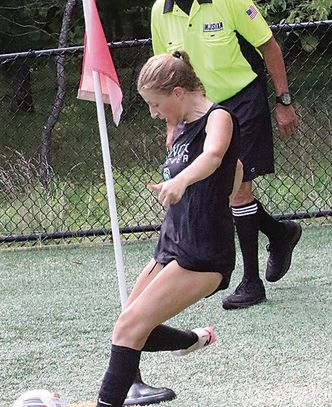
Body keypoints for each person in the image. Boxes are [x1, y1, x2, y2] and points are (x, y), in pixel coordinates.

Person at [96, 50, 243, 407]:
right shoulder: (178, 129)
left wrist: (182, 183)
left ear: (178, 92)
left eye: (156, 104)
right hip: (172, 243)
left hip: (203, 253)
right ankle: (193, 339)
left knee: (129, 329)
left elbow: (214, 157)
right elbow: (237, 171)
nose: (154, 113)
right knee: (130, 328)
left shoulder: (218, 117)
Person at [150, 0, 302, 310]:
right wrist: (171, 125)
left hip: (242, 100)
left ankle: (251, 282)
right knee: (219, 191)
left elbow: (269, 46)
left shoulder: (229, 1)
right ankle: (280, 232)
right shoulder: (159, 12)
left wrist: (283, 100)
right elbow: (164, 76)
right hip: (198, 113)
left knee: (240, 188)